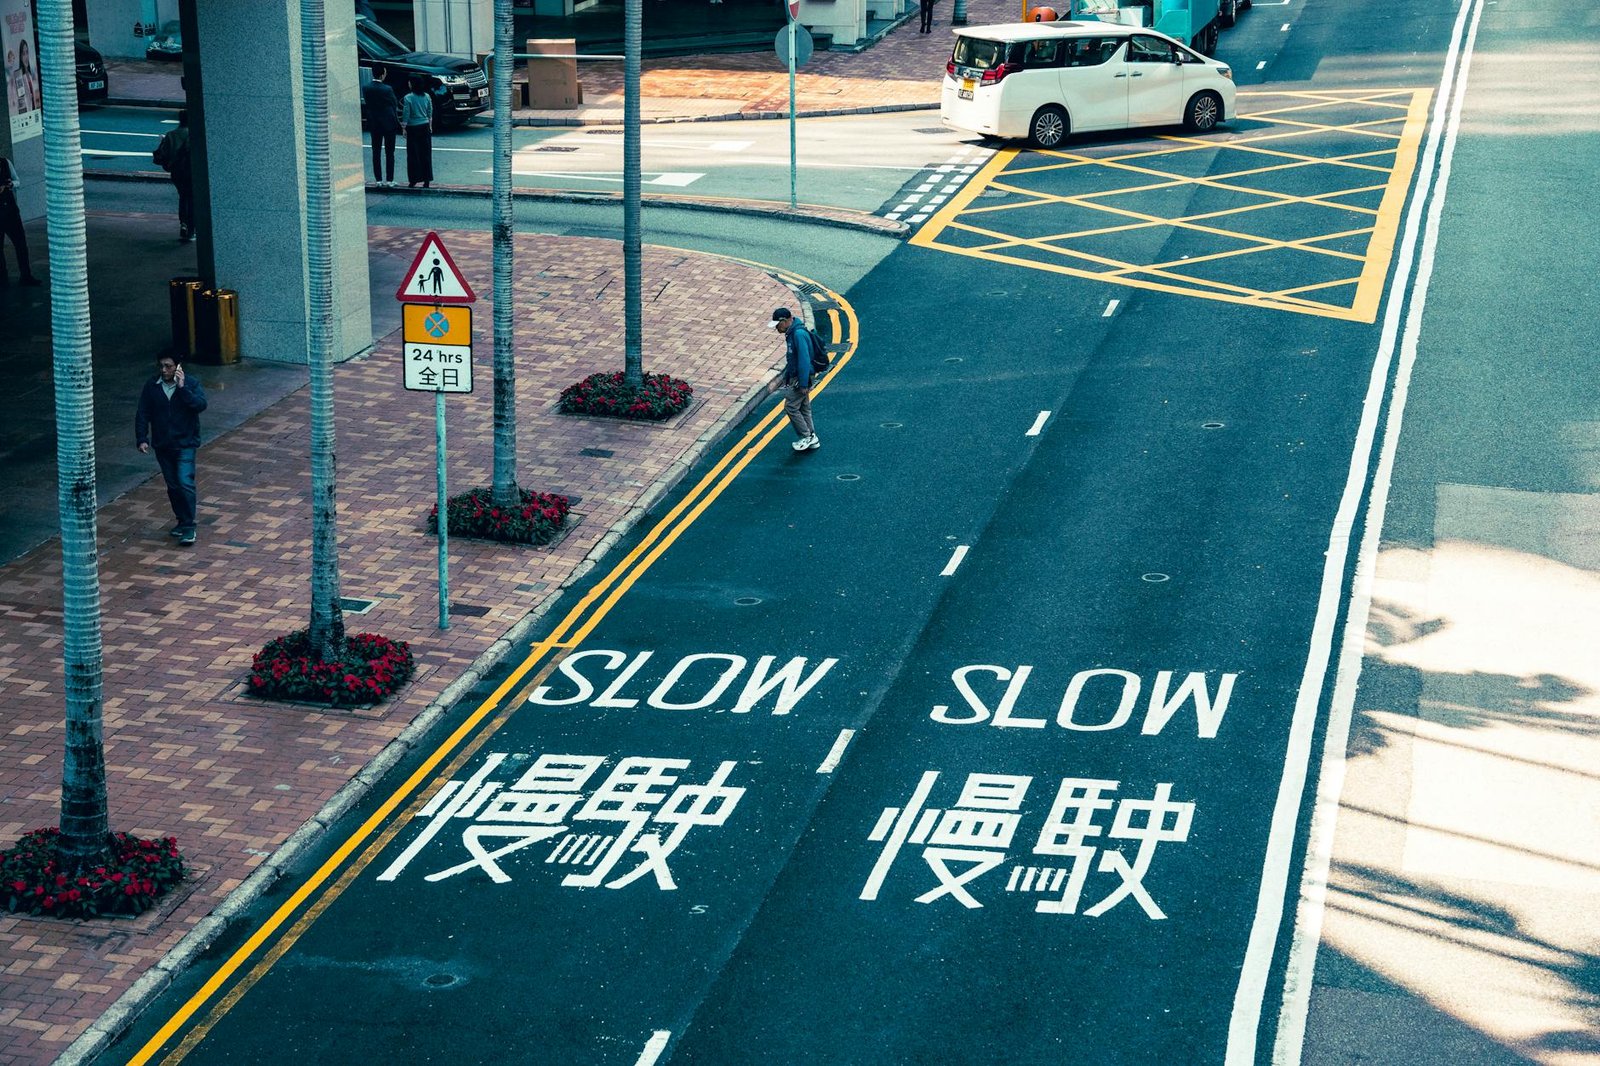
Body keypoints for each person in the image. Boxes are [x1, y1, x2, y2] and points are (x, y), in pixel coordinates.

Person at [135, 354, 208, 546]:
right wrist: (142, 438)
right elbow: (143, 412)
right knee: (173, 486)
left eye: (168, 366)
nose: (164, 370)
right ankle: (182, 520)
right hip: (163, 444)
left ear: (177, 367)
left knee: (185, 482)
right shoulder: (152, 386)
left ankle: (189, 525)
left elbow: (200, 405)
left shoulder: (190, 384)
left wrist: (182, 389)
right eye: (161, 366)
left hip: (185, 443)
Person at [769, 307, 821, 451]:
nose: (777, 329)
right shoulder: (793, 332)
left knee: (790, 406)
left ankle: (806, 436)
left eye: (777, 325)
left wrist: (803, 383)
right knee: (803, 407)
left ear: (785, 321)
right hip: (799, 376)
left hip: (801, 377)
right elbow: (794, 358)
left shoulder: (798, 334)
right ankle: (812, 437)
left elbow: (804, 360)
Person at [152, 110, 195, 240]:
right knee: (192, 199)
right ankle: (191, 228)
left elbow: (163, 154)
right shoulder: (193, 134)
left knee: (183, 197)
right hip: (191, 171)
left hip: (177, 171)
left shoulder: (171, 135)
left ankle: (183, 223)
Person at [0, 157, 42, 285]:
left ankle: (25, 275)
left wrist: (10, 184)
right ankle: (3, 277)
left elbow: (17, 180)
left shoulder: (5, 162)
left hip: (11, 211)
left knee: (21, 245)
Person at [364, 65, 403, 186]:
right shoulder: (387, 89)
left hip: (374, 123)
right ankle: (390, 180)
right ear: (382, 74)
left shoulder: (366, 88)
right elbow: (394, 103)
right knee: (389, 152)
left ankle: (378, 180)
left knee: (376, 151)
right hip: (388, 123)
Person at [402, 77, 433, 188]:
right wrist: (430, 126)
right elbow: (430, 112)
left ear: (412, 85)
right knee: (425, 154)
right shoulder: (427, 96)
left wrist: (404, 127)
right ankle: (427, 180)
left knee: (413, 155)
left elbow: (406, 113)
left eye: (409, 82)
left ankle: (413, 180)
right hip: (424, 126)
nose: (408, 83)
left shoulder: (408, 98)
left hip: (413, 127)